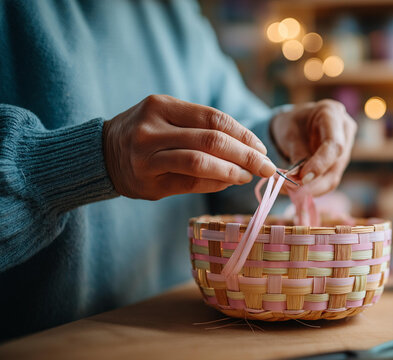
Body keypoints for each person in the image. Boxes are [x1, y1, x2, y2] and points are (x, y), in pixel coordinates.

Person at [0, 1, 356, 340]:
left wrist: (278, 137)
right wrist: (90, 159)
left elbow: (229, 140)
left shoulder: (176, 13)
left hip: (185, 332)